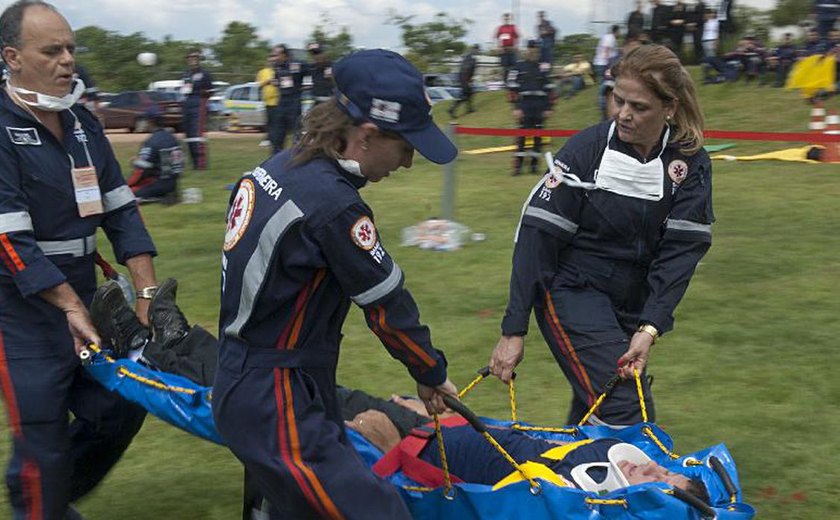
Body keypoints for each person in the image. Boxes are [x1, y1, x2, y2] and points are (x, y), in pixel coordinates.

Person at [213, 49, 460, 520]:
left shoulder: (280, 168)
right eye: (406, 147)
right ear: (366, 136)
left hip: (252, 378)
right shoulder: (336, 206)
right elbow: (387, 306)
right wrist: (430, 372)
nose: (407, 163)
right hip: (275, 395)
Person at [489, 44, 713, 427]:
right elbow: (535, 240)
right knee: (625, 403)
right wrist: (513, 329)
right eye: (618, 100)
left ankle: (573, 482)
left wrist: (650, 327)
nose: (623, 114)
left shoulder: (689, 162)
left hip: (631, 305)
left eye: (638, 107)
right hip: (572, 290)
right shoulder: (586, 150)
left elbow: (680, 255)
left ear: (669, 107)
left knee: (594, 411)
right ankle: (633, 485)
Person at [0, 1, 159, 518]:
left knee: (122, 406)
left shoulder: (84, 125)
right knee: (42, 434)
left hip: (86, 295)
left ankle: (48, 496)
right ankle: (41, 502)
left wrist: (146, 295)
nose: (68, 60)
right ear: (12, 58)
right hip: (21, 313)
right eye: (52, 50)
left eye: (70, 48)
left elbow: (123, 213)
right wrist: (69, 307)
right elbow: (9, 241)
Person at [508, 40, 554, 176]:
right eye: (531, 49)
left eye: (536, 50)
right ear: (527, 50)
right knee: (521, 137)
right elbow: (511, 88)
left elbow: (550, 89)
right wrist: (515, 107)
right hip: (524, 105)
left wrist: (549, 107)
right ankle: (518, 167)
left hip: (539, 106)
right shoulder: (518, 67)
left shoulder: (544, 68)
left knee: (537, 138)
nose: (534, 52)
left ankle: (534, 166)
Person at [126, 105, 184, 204]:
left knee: (126, 196)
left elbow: (141, 171)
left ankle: (158, 197)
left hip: (159, 184)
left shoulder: (152, 142)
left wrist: (126, 185)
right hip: (173, 183)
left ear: (150, 121)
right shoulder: (173, 138)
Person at [181, 49, 213, 170]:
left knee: (197, 134)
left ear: (199, 59)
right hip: (187, 103)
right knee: (188, 134)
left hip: (199, 103)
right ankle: (193, 163)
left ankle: (200, 164)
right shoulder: (186, 74)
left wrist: (205, 94)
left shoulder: (205, 74)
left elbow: (211, 90)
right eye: (190, 57)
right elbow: (184, 89)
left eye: (195, 57)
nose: (193, 59)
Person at [271, 43, 305, 154]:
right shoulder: (277, 67)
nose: (275, 58)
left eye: (277, 55)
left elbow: (310, 71)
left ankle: (298, 157)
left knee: (296, 132)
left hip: (294, 101)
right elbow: (276, 79)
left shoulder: (296, 64)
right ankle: (275, 159)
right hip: (282, 101)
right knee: (277, 134)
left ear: (284, 55)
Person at [256, 50, 280, 150]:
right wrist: (268, 81)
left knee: (276, 122)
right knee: (269, 121)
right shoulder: (263, 72)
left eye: (274, 58)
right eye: (270, 58)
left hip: (278, 100)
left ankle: (274, 139)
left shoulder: (279, 70)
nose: (272, 60)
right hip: (268, 101)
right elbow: (259, 85)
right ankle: (268, 138)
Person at [448, 44, 479, 118]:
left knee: (470, 93)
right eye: (477, 49)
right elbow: (468, 69)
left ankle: (469, 109)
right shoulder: (471, 57)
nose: (478, 51)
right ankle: (452, 109)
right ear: (475, 49)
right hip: (465, 77)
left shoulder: (467, 56)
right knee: (465, 95)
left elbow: (466, 68)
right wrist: (468, 79)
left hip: (463, 76)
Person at [306, 41, 335, 107]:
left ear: (324, 53)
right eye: (313, 54)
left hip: (331, 102)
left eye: (318, 53)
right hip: (316, 101)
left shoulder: (334, 66)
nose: (316, 56)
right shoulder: (311, 67)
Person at [495, 12, 520, 81]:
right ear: (503, 19)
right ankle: (505, 82)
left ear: (510, 19)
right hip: (504, 49)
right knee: (505, 67)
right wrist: (499, 47)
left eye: (508, 18)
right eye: (505, 18)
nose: (506, 19)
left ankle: (512, 81)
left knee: (513, 66)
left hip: (511, 48)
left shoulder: (513, 27)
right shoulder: (501, 28)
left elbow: (517, 37)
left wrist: (516, 46)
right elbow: (497, 37)